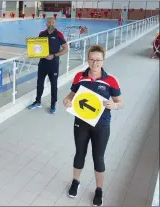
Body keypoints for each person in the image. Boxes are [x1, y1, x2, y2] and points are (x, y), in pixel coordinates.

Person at [63, 45, 123, 206]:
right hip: (81, 123)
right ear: (87, 59)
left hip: (101, 125)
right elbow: (72, 94)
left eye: (98, 60)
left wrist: (114, 106)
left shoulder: (111, 80)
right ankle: (75, 182)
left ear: (103, 60)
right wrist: (66, 100)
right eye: (91, 59)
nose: (95, 63)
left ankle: (99, 190)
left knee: (98, 158)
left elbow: (120, 102)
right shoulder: (79, 76)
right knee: (79, 153)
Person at [28, 17, 69, 113]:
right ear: (46, 23)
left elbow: (66, 49)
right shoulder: (42, 34)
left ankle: (53, 105)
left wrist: (54, 55)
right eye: (49, 21)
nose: (51, 23)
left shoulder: (59, 34)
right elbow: (37, 46)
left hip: (53, 64)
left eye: (53, 22)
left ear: (55, 23)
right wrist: (31, 48)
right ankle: (37, 101)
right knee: (39, 84)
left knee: (53, 85)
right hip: (42, 63)